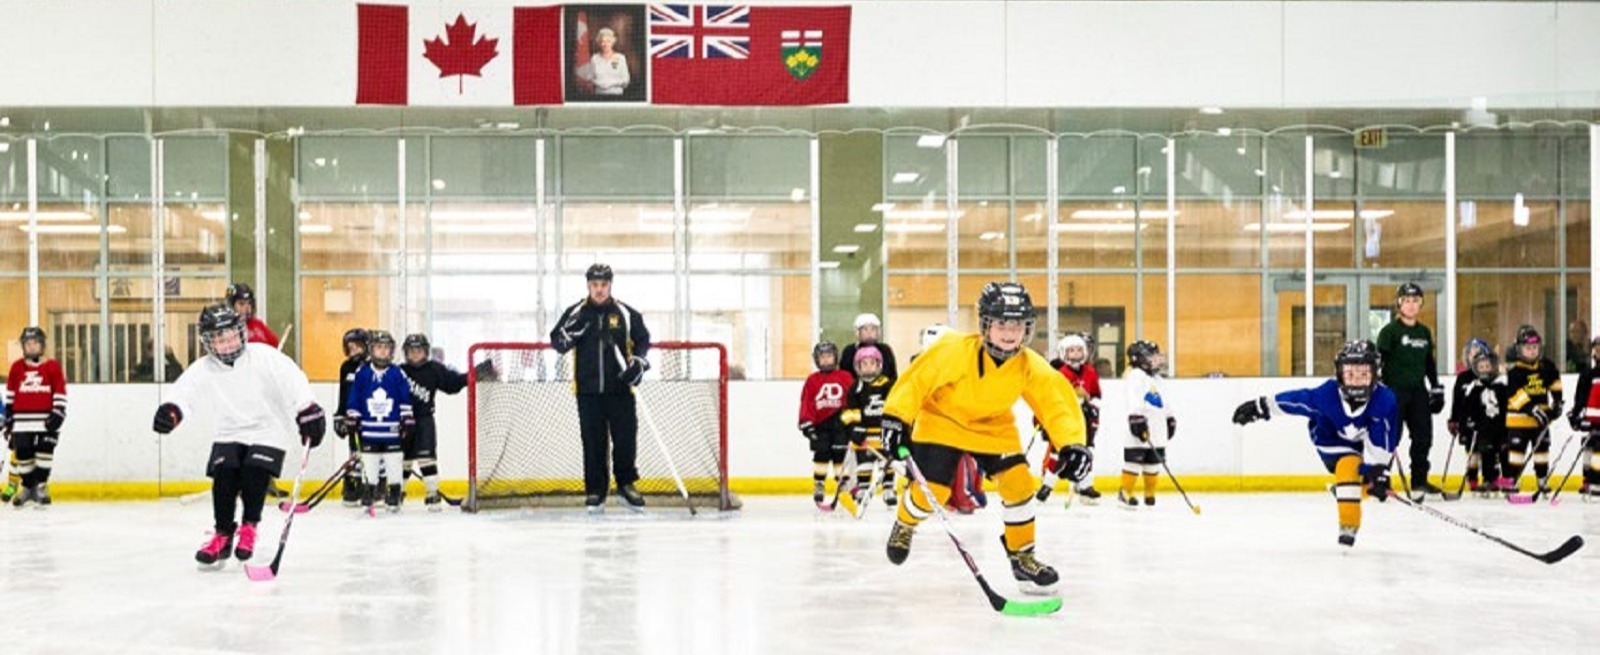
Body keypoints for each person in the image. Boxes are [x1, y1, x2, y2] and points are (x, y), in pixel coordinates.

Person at [880, 282, 1091, 594]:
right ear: (985, 325)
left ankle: (1022, 557)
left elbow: (1055, 400)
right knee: (931, 492)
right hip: (942, 421)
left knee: (1019, 482)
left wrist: (1072, 442)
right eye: (1001, 323)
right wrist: (896, 416)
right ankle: (905, 523)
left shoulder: (1028, 364)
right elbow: (916, 381)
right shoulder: (954, 351)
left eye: (1017, 324)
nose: (1010, 332)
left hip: (993, 428)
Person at [151, 305, 325, 568]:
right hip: (230, 430)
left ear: (241, 332)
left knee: (254, 471)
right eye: (219, 339)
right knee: (225, 475)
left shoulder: (264, 356)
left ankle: (249, 529)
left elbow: (294, 380)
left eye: (231, 335)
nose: (227, 343)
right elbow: (185, 391)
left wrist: (307, 408)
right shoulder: (205, 367)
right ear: (209, 343)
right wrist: (172, 410)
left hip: (269, 428)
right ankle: (222, 534)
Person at [1232, 340, 1398, 548]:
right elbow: (1297, 401)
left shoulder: (1385, 399)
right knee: (1348, 465)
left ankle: (1349, 491)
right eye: (1350, 374)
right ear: (1339, 373)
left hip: (1361, 443)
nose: (1356, 381)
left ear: (1375, 374)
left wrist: (1379, 470)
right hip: (1329, 440)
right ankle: (1348, 524)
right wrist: (1261, 406)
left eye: (1363, 374)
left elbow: (1382, 437)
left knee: (1367, 482)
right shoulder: (1326, 395)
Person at [550, 263, 652, 513]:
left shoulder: (627, 314)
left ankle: (626, 485)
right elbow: (557, 342)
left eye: (603, 285)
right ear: (588, 286)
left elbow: (643, 341)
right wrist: (572, 333)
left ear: (610, 285)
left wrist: (638, 364)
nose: (599, 290)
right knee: (593, 442)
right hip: (588, 392)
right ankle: (595, 490)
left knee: (625, 440)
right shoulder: (575, 312)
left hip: (621, 391)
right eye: (594, 285)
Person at [1375, 282, 1445, 496]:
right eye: (1407, 300)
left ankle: (1419, 480)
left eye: (1416, 301)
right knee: (1391, 437)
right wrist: (1378, 390)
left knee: (1423, 436)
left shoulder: (1424, 332)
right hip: (1394, 392)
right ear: (1399, 304)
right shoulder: (1389, 332)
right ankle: (1381, 479)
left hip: (1418, 392)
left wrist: (1435, 387)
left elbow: (1428, 363)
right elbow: (1379, 363)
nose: (1411, 305)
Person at [343, 330, 414, 514]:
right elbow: (355, 397)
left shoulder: (398, 373)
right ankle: (369, 492)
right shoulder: (363, 372)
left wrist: (407, 417)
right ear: (371, 350)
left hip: (391, 430)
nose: (382, 352)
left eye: (386, 348)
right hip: (369, 430)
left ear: (391, 351)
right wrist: (353, 416)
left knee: (393, 463)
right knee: (370, 462)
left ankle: (394, 493)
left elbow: (404, 397)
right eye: (378, 348)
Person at [399, 333, 467, 511]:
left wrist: (473, 374)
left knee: (426, 458)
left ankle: (432, 493)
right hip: (402, 422)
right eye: (411, 351)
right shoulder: (398, 371)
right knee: (401, 460)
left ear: (426, 352)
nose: (415, 354)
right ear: (406, 353)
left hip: (424, 420)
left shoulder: (434, 369)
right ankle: (396, 493)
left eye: (419, 350)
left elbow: (453, 384)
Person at [3, 327, 67, 508]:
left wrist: (58, 411)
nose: (31, 347)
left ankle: (41, 486)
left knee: (44, 453)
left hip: (45, 419)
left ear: (42, 345)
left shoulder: (53, 366)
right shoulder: (16, 367)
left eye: (35, 343)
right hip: (22, 421)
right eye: (27, 344)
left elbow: (59, 390)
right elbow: (10, 395)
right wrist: (9, 418)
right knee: (23, 454)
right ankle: (28, 488)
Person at [1501, 325, 1563, 494]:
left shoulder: (1546, 367)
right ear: (1519, 349)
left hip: (1540, 421)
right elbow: (1514, 395)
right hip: (1518, 421)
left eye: (1535, 347)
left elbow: (1555, 383)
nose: (1532, 351)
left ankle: (1542, 480)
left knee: (1542, 450)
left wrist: (1557, 403)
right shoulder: (1515, 372)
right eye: (1528, 348)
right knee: (1516, 453)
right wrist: (1532, 409)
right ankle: (1513, 480)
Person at [1041, 333, 1102, 504]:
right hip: (1066, 419)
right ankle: (1047, 485)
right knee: (1058, 454)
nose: (1076, 353)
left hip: (1086, 418)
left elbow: (1097, 395)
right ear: (1063, 353)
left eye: (1079, 350)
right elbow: (1054, 397)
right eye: (1071, 350)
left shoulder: (1090, 372)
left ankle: (1085, 486)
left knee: (1087, 451)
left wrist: (1091, 404)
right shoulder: (1060, 374)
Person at [1118, 340, 1173, 509]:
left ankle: (1150, 494)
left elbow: (1165, 402)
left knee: (1153, 461)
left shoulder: (1157, 378)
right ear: (1139, 358)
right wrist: (1136, 418)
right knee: (1134, 461)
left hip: (1157, 426)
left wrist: (1170, 418)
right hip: (1140, 424)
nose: (1156, 360)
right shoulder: (1135, 376)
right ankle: (1125, 493)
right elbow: (1133, 398)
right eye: (1152, 356)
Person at [839, 345, 896, 507]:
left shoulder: (888, 385)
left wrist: (893, 423)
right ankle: (863, 488)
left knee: (888, 462)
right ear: (858, 366)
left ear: (879, 365)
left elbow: (894, 406)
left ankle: (888, 488)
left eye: (872, 363)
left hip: (884, 433)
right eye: (864, 364)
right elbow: (848, 411)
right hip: (864, 435)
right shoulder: (855, 387)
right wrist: (855, 427)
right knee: (864, 463)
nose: (869, 367)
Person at [797, 341, 852, 509]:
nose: (826, 360)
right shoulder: (812, 380)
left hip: (840, 422)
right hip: (820, 424)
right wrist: (807, 423)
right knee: (821, 453)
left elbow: (852, 400)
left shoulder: (846, 377)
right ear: (816, 359)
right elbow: (807, 402)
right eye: (822, 357)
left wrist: (853, 421)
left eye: (829, 356)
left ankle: (842, 484)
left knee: (840, 454)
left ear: (835, 358)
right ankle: (819, 483)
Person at [1454, 349, 1507, 495]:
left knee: (1503, 453)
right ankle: (1489, 480)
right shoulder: (1474, 388)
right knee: (1487, 453)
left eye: (1487, 366)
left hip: (1500, 428)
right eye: (1481, 367)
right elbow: (1465, 409)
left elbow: (1506, 407)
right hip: (1483, 429)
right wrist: (1466, 426)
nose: (1485, 370)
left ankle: (1505, 481)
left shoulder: (1501, 386)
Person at [336, 328, 370, 506]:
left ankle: (371, 486)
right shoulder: (346, 367)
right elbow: (343, 393)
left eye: (358, 347)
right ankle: (353, 485)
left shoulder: (373, 366)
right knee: (355, 452)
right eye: (350, 347)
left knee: (371, 453)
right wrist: (340, 415)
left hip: (370, 419)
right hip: (352, 418)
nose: (354, 351)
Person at [1569, 336, 1600, 498]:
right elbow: (1580, 397)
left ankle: (1596, 480)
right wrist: (1576, 415)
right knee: (1590, 445)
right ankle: (1588, 479)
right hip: (1593, 418)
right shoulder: (1588, 373)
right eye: (1597, 348)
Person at [840, 313, 899, 383]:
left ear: (878, 332)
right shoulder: (849, 351)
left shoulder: (885, 350)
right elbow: (844, 377)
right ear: (858, 332)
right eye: (865, 329)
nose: (869, 333)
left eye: (873, 329)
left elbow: (892, 376)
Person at [576, 27, 630, 96]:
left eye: (608, 41)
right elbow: (590, 77)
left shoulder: (620, 58)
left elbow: (626, 80)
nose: (605, 44)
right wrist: (599, 83)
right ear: (599, 43)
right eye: (602, 41)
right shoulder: (594, 58)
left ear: (612, 42)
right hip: (599, 95)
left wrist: (610, 83)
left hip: (617, 95)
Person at [226, 282, 279, 348]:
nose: (247, 308)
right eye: (241, 304)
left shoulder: (257, 324)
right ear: (231, 306)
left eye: (249, 303)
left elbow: (275, 343)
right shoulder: (225, 328)